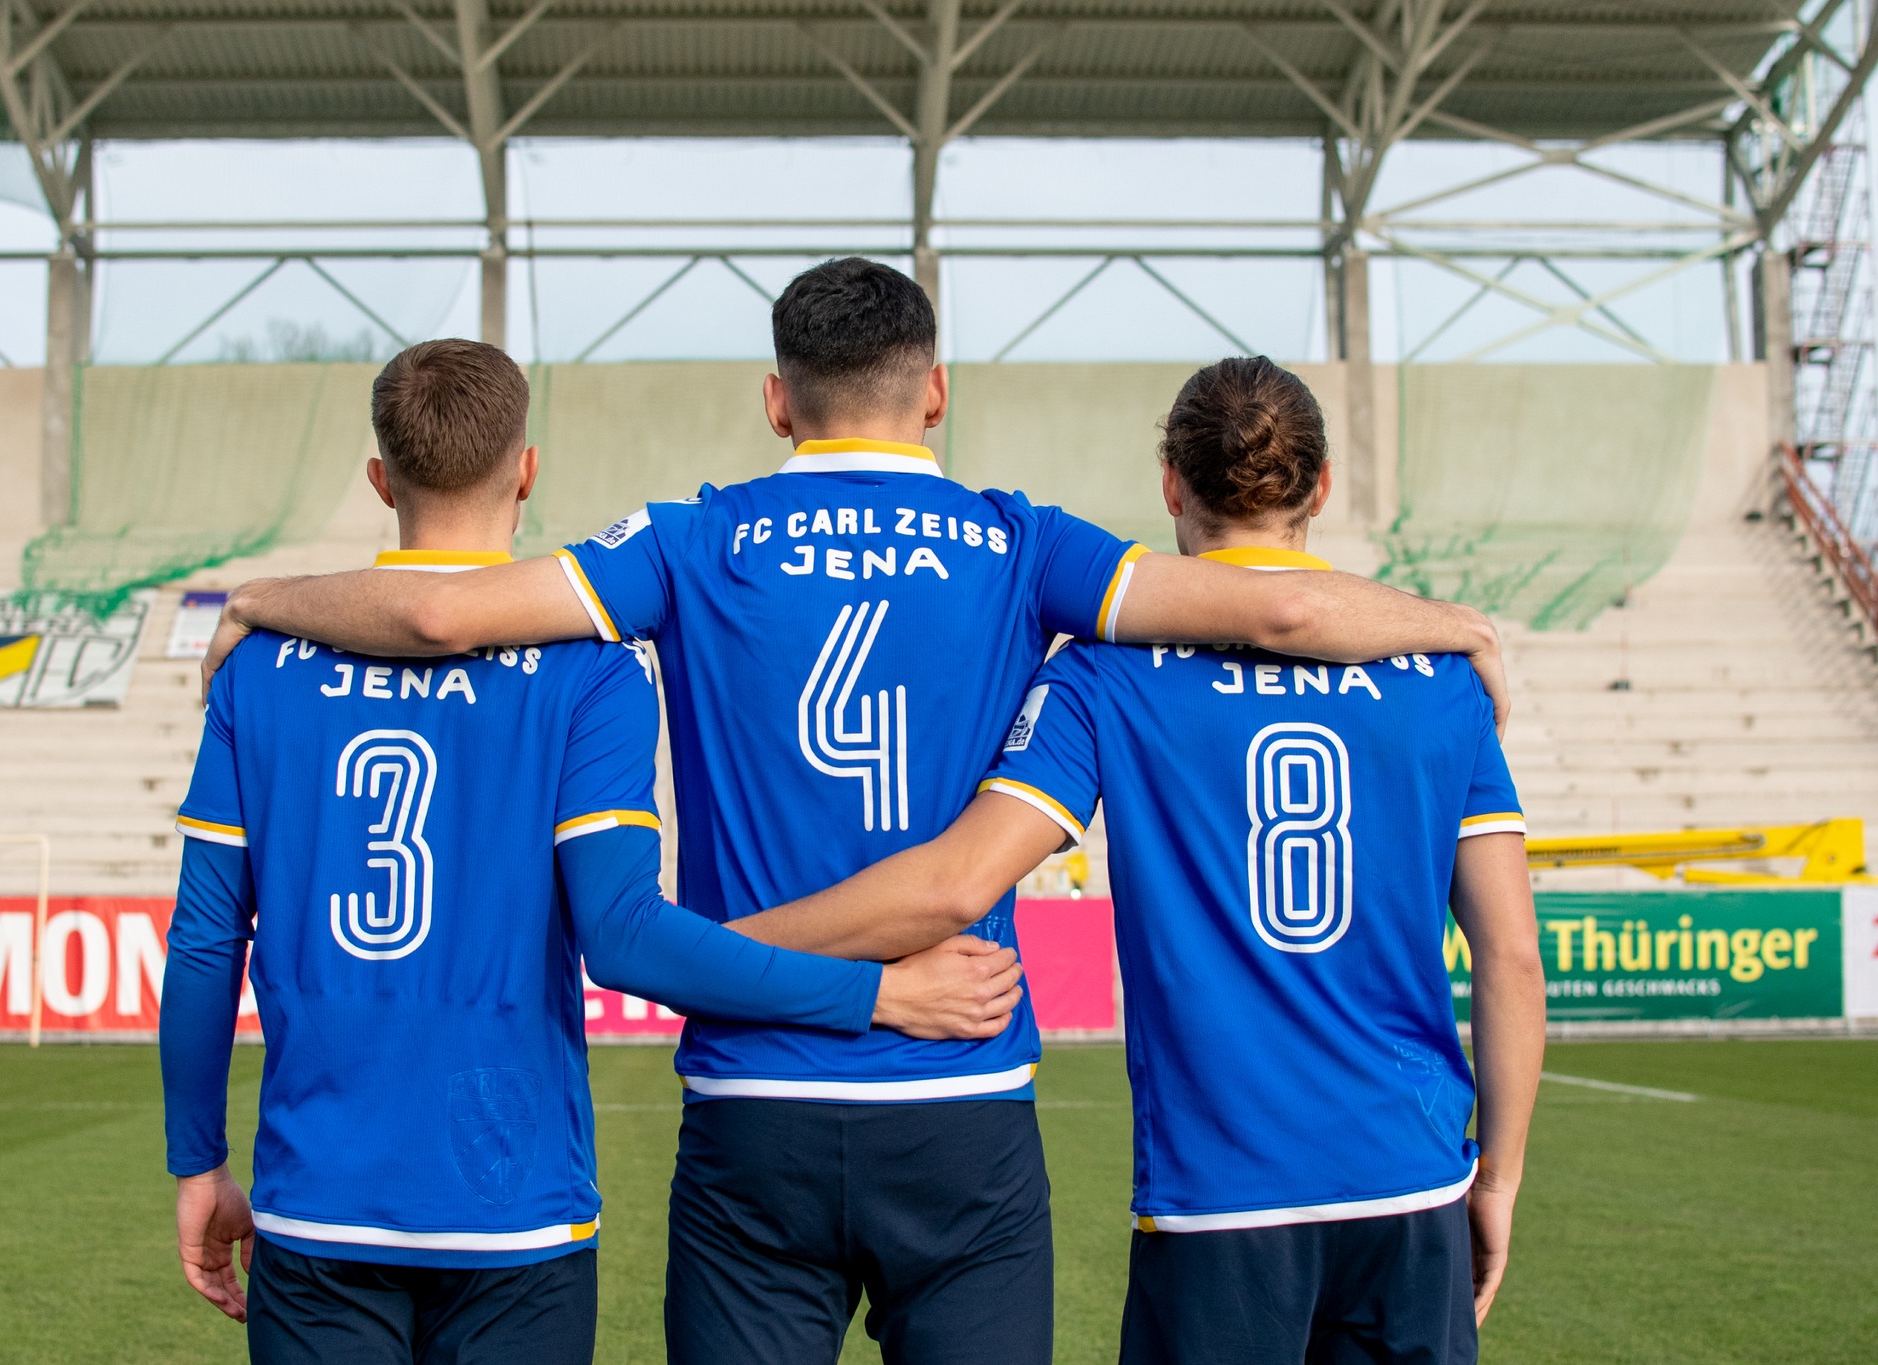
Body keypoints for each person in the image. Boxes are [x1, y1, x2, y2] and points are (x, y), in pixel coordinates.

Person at [200, 260, 1510, 1365]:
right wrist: (1455, 627)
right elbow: (1283, 605)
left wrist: (259, 598)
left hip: (755, 1101)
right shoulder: (1023, 544)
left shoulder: (694, 540)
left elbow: (440, 613)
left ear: (776, 401)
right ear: (935, 393)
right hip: (961, 1092)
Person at [159, 338, 1023, 1365]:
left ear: (381, 479)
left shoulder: (258, 671)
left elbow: (205, 941)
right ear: (527, 470)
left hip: (316, 1206)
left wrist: (198, 1162)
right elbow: (624, 936)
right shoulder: (591, 668)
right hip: (514, 1204)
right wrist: (874, 993)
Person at [734, 356, 1548, 1365]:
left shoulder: (1105, 673)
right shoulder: (1441, 679)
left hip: (1221, 1197)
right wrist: (1496, 1177)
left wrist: (711, 950)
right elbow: (1510, 956)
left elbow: (958, 881)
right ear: (1322, 487)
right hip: (1411, 1184)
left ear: (1170, 484)